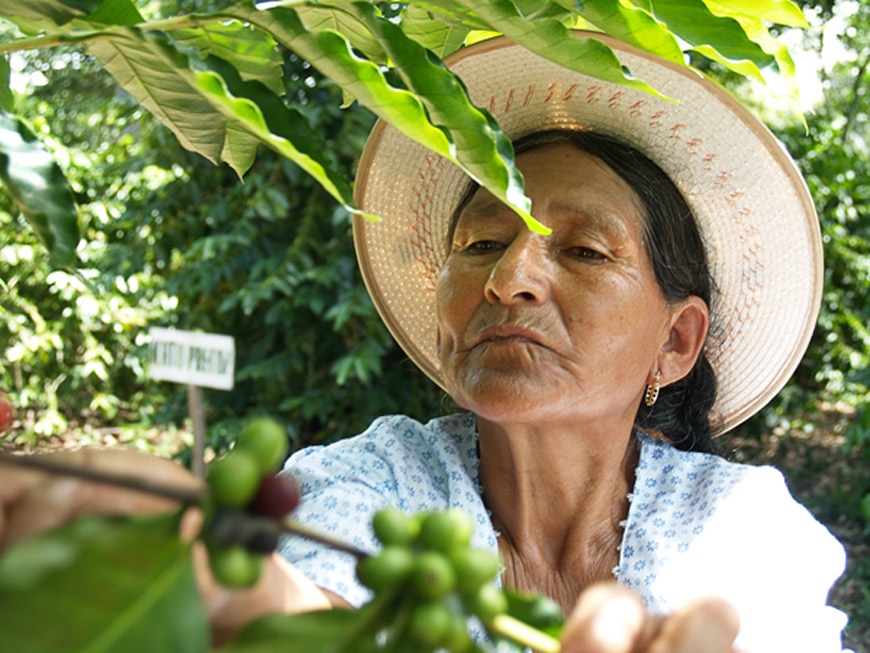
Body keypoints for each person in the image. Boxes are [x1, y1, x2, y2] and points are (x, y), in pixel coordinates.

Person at [0, 32, 849, 652]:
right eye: (481, 242)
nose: (508, 277)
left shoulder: (741, 531)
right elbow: (306, 603)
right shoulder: (370, 483)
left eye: (586, 250)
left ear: (677, 340)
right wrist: (202, 574)